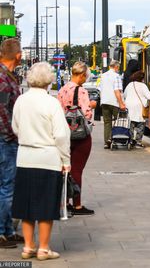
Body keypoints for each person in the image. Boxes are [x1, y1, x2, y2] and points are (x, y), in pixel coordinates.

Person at [11, 62, 71, 261]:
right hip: (48, 158)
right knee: (46, 206)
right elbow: (61, 135)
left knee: (26, 206)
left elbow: (15, 127)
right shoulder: (51, 102)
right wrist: (66, 160)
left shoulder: (21, 100)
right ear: (49, 81)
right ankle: (44, 249)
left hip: (25, 157)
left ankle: (28, 247)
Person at [57, 61, 96, 216]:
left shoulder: (62, 89)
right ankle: (77, 205)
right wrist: (92, 105)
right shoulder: (81, 91)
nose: (86, 78)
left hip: (65, 134)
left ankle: (65, 202)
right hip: (80, 135)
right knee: (77, 170)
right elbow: (86, 113)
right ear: (81, 75)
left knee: (66, 169)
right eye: (86, 75)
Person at [0, 38, 23, 249]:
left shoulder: (8, 76)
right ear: (17, 55)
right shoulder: (3, 79)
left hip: (7, 140)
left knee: (8, 186)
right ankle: (1, 232)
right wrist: (12, 134)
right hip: (5, 141)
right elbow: (2, 113)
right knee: (7, 187)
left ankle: (8, 230)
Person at [124, 70, 150, 147]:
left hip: (129, 106)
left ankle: (130, 140)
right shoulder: (143, 86)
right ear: (142, 78)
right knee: (141, 124)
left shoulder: (130, 84)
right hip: (139, 107)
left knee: (131, 123)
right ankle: (138, 141)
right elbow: (149, 96)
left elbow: (124, 95)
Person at [99, 60, 126, 149]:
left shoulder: (102, 76)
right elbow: (117, 91)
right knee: (120, 120)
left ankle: (107, 141)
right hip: (114, 102)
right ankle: (118, 139)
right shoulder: (117, 76)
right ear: (116, 67)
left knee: (107, 122)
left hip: (104, 101)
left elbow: (99, 89)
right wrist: (121, 103)